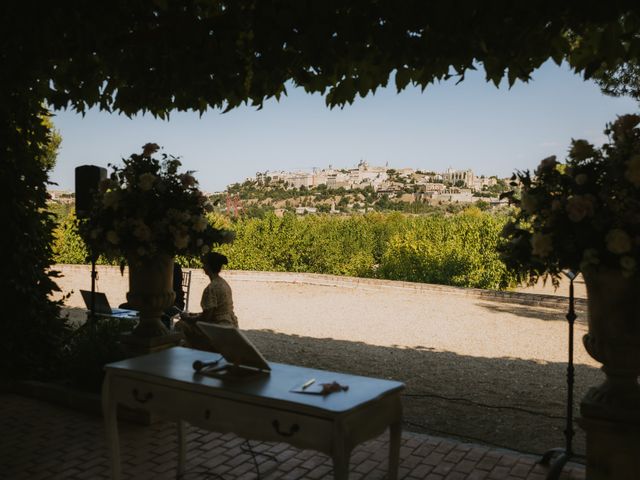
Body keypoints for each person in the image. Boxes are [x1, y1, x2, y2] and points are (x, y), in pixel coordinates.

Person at [176, 252, 238, 351]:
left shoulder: (211, 288)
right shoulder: (223, 283)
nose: (203, 267)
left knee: (180, 325)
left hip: (218, 328)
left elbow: (207, 317)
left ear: (209, 267)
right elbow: (215, 312)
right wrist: (194, 314)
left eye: (204, 264)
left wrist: (188, 318)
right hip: (231, 324)